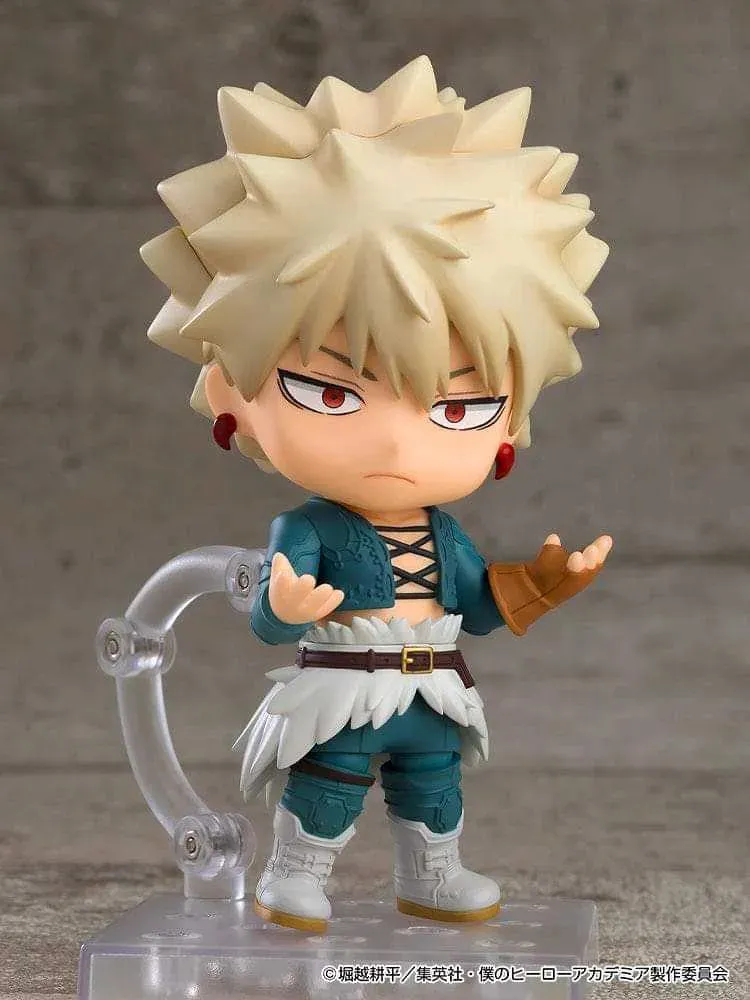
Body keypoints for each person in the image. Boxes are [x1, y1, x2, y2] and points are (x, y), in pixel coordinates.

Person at [141, 55, 612, 933]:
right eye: (330, 394)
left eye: (461, 407)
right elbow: (270, 617)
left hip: (433, 686)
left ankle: (433, 874)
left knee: (434, 787)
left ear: (509, 426)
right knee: (327, 785)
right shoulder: (308, 525)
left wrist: (537, 588)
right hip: (343, 688)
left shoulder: (444, 532)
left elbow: (473, 603)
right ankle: (295, 875)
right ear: (228, 388)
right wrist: (283, 604)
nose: (397, 442)